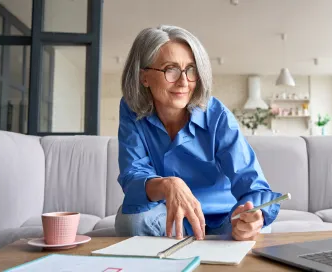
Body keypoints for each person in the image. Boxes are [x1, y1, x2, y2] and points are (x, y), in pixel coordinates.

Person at [115, 25, 282, 241]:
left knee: (257, 229)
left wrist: (253, 216)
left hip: (224, 219)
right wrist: (168, 184)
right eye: (170, 69)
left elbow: (251, 182)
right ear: (143, 77)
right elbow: (132, 175)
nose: (184, 82)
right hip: (169, 218)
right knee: (130, 220)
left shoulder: (217, 114)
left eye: (191, 70)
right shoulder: (131, 110)